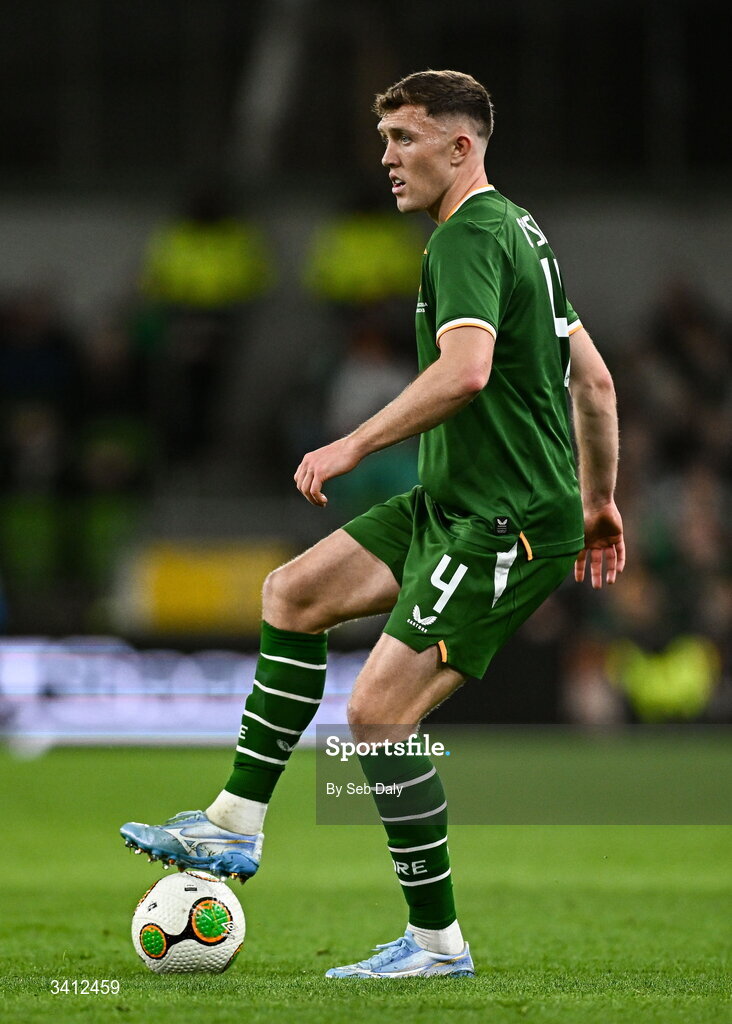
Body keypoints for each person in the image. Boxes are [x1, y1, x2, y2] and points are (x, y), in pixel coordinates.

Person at [121, 70, 624, 979]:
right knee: (294, 591)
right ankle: (236, 824)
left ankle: (438, 947)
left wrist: (349, 444)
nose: (386, 158)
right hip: (459, 501)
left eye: (404, 138)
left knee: (379, 721)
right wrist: (598, 502)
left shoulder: (469, 236)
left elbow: (465, 372)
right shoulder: (523, 231)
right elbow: (592, 380)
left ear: (460, 145)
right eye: (384, 137)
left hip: (498, 520)